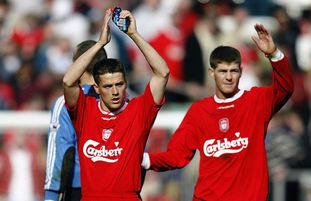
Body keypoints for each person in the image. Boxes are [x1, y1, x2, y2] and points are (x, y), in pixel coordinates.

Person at [142, 24, 294, 201]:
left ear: (241, 72)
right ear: (212, 73)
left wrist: (274, 54)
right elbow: (177, 156)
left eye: (233, 71)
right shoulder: (199, 111)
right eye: (223, 71)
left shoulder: (256, 101)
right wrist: (142, 158)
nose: (228, 77)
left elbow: (286, 88)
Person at [63, 8, 169, 201]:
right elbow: (68, 81)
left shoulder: (139, 110)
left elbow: (162, 72)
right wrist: (100, 43)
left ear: (125, 84)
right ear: (96, 87)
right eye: (108, 86)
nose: (114, 91)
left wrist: (134, 35)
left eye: (119, 84)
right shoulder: (85, 110)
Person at [44, 40, 107, 201]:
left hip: (79, 189)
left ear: (79, 63)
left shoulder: (65, 103)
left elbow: (61, 153)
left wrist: (50, 196)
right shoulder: (123, 101)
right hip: (117, 187)